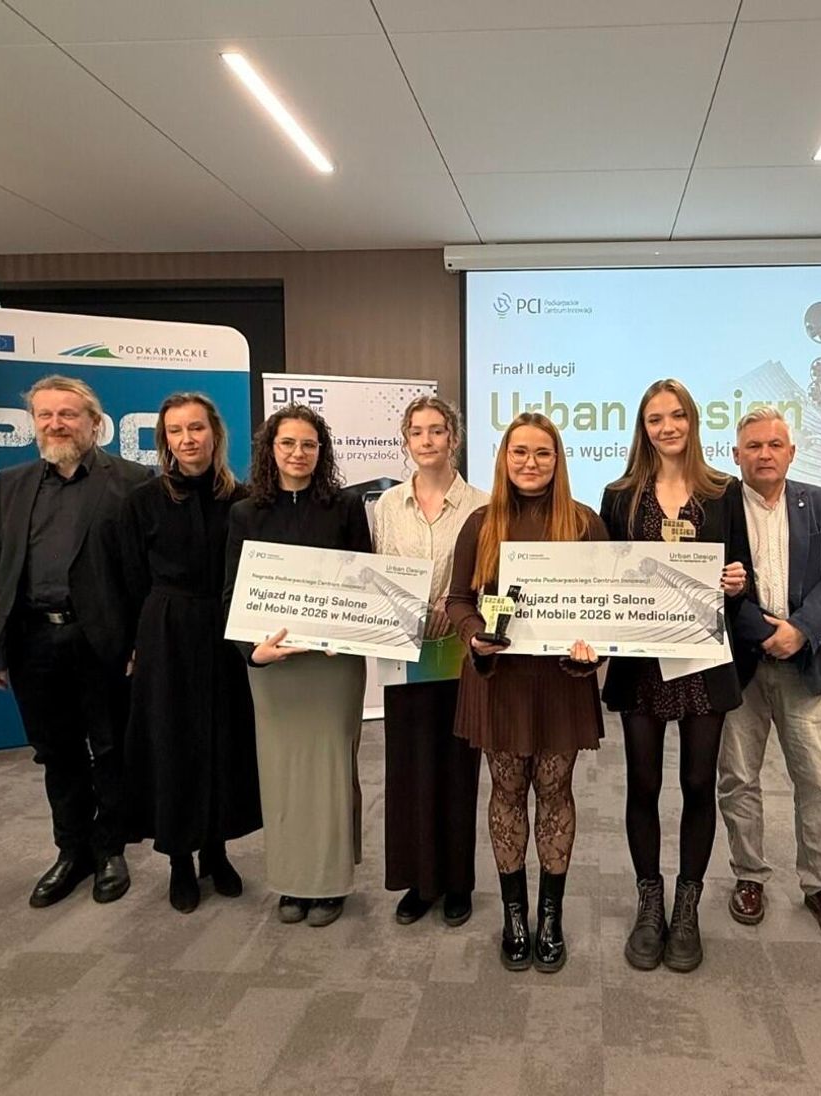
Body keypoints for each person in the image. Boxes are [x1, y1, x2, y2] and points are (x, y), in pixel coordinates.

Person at [0, 375, 151, 908]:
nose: (56, 424)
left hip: (103, 641)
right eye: (45, 415)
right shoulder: (11, 483)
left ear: (94, 423)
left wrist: (140, 642)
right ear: (34, 423)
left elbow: (144, 573)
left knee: (110, 748)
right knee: (55, 752)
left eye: (68, 414)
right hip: (33, 641)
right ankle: (71, 851)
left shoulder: (133, 481)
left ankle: (110, 849)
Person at [598, 379, 749, 973]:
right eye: (655, 418)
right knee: (642, 784)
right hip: (640, 664)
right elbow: (604, 576)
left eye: (677, 415)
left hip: (702, 661)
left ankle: (687, 907)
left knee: (697, 783)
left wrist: (736, 583)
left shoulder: (724, 491)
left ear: (693, 420)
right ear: (643, 427)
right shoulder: (619, 496)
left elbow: (741, 572)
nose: (668, 427)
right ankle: (650, 903)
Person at [446, 411, 605, 973]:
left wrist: (594, 650)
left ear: (557, 460)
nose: (530, 463)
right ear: (504, 458)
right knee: (508, 793)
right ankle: (515, 916)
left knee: (556, 792)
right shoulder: (480, 523)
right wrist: (474, 636)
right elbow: (458, 601)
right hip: (501, 680)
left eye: (542, 452)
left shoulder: (584, 524)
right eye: (520, 452)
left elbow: (605, 604)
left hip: (562, 681)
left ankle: (551, 916)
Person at [717, 406, 821, 946]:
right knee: (737, 777)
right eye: (753, 446)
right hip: (742, 665)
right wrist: (763, 631)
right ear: (736, 455)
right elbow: (709, 581)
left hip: (804, 663)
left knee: (819, 780)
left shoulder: (819, 504)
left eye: (774, 445)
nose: (765, 454)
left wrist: (800, 630)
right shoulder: (719, 506)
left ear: (791, 452)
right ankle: (749, 876)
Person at [223, 403, 370, 928]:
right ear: (271, 449)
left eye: (309, 444)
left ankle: (329, 883)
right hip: (275, 667)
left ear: (321, 451)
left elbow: (365, 583)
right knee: (281, 772)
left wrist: (347, 631)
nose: (298, 453)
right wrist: (251, 651)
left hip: (333, 667)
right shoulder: (245, 513)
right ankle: (291, 880)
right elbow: (231, 592)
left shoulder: (345, 507)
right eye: (287, 443)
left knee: (330, 772)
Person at [119, 393, 261, 913]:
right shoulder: (142, 501)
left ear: (215, 434)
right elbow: (130, 576)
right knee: (172, 744)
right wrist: (135, 643)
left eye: (196, 428)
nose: (187, 439)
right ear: (165, 440)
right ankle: (179, 859)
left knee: (223, 741)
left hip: (226, 632)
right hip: (167, 633)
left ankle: (216, 853)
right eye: (176, 431)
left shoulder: (242, 500)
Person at [372, 396, 488, 928]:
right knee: (409, 768)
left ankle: (457, 881)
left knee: (458, 768)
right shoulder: (387, 506)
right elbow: (377, 573)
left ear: (453, 438)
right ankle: (419, 881)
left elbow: (489, 576)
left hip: (459, 653)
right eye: (416, 431)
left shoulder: (481, 505)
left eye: (436, 430)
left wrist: (453, 604)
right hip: (405, 653)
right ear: (406, 440)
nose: (426, 440)